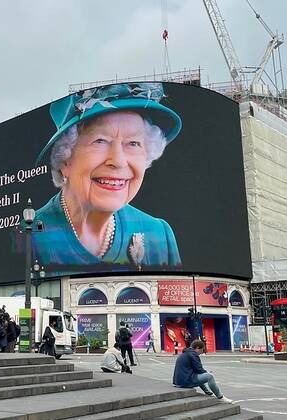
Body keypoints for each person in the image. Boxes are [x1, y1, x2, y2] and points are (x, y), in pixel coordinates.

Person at [32, 82, 183, 275]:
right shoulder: (30, 235)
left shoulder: (158, 235)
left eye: (134, 143)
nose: (118, 161)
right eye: (100, 141)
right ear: (64, 160)